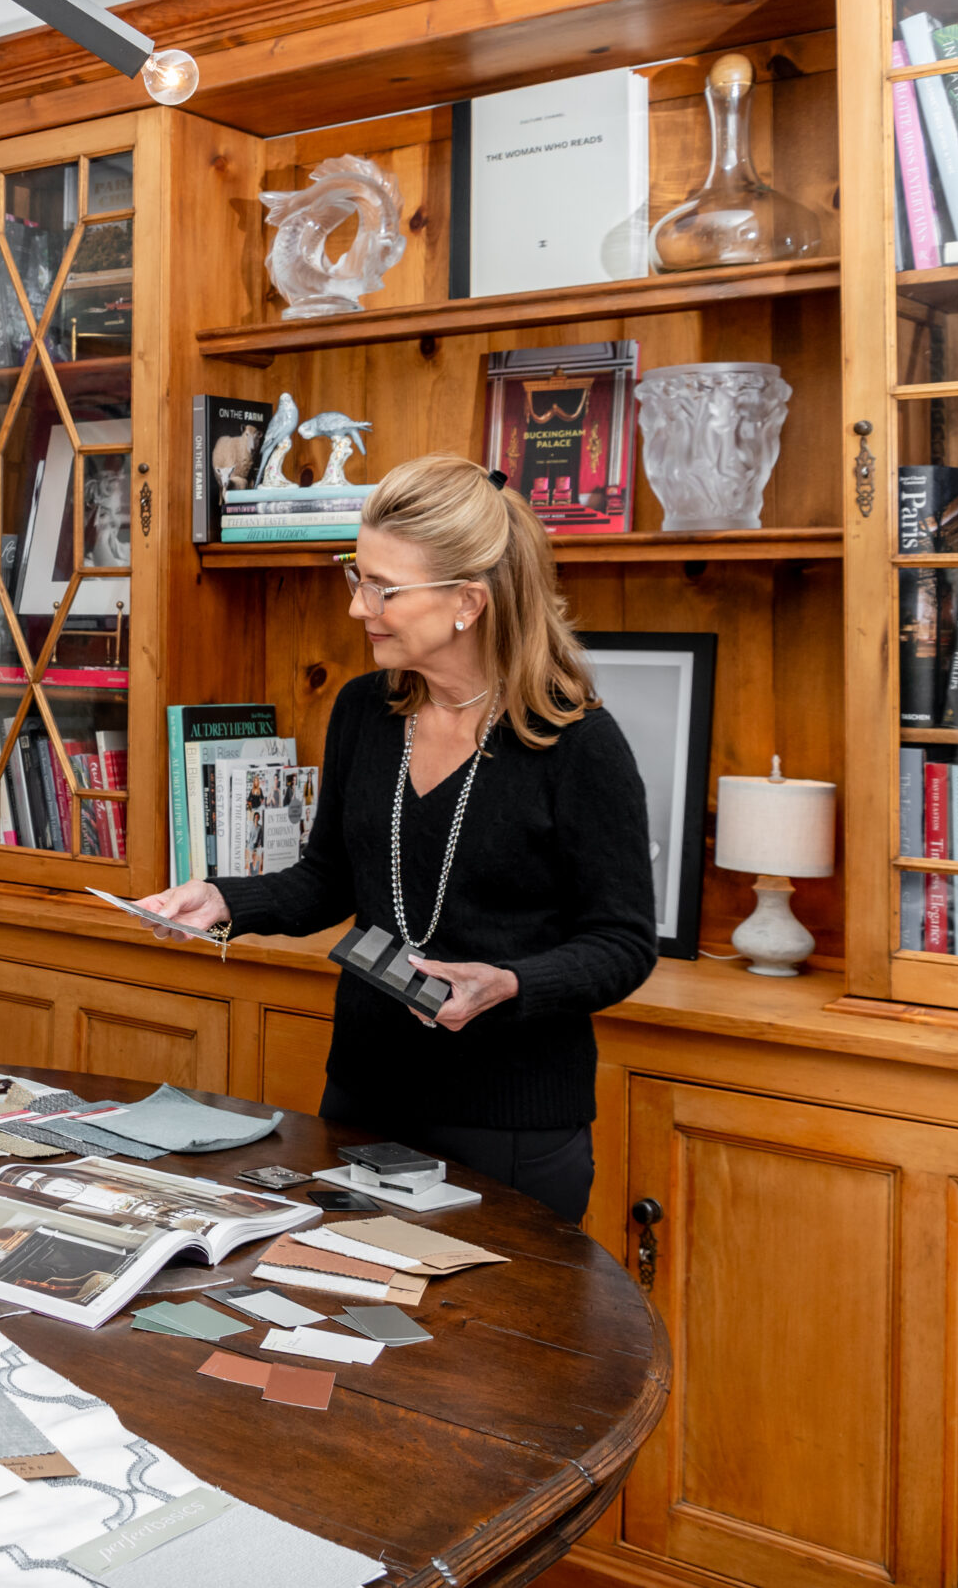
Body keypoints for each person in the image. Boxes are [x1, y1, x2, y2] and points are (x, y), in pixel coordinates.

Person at [138, 455, 656, 1222]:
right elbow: (328, 879)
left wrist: (508, 984)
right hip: (360, 1098)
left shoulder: (578, 744)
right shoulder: (362, 712)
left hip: (507, 1125)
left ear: (467, 603)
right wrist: (221, 899)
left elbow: (622, 940)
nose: (359, 607)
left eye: (383, 587)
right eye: (357, 574)